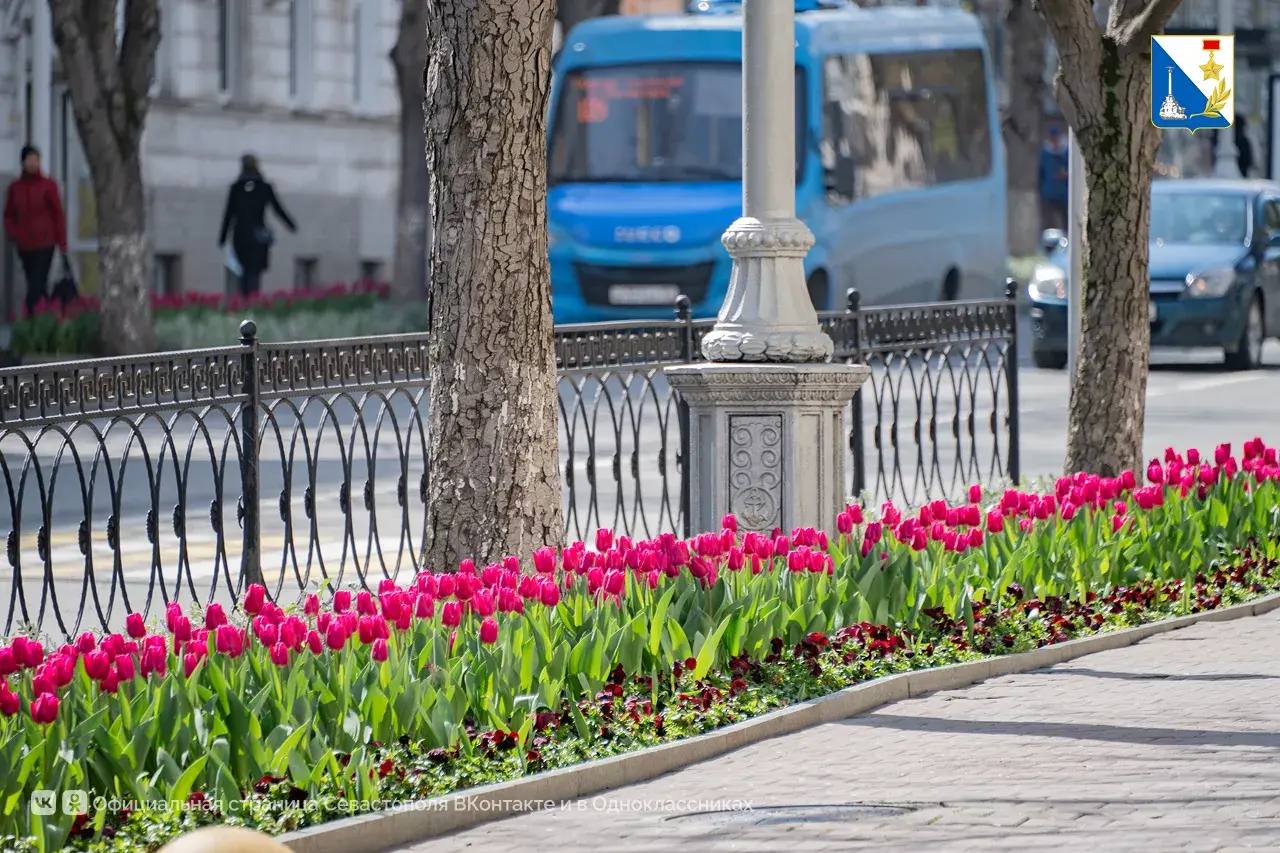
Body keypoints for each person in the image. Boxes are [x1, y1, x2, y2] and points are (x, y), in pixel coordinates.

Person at [218, 154, 296, 297]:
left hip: (241, 236)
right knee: (253, 275)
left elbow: (228, 215)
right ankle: (252, 304)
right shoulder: (263, 187)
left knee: (243, 275)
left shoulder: (237, 188)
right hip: (257, 236)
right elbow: (278, 209)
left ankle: (246, 303)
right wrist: (291, 225)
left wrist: (222, 238)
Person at [3, 145, 67, 315]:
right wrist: (13, 233)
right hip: (24, 245)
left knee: (36, 284)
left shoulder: (48, 185)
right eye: (29, 160)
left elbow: (58, 214)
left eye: (36, 160)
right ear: (22, 162)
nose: (33, 163)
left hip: (45, 242)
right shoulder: (15, 188)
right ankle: (46, 317)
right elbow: (9, 214)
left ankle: (30, 315)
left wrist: (62, 242)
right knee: (35, 282)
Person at [1038, 125, 1069, 233]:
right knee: (1049, 223)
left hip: (1065, 195)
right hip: (1049, 193)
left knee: (1066, 222)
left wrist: (1066, 175)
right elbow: (1041, 173)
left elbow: (1072, 171)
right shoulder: (1045, 153)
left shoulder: (1066, 152)